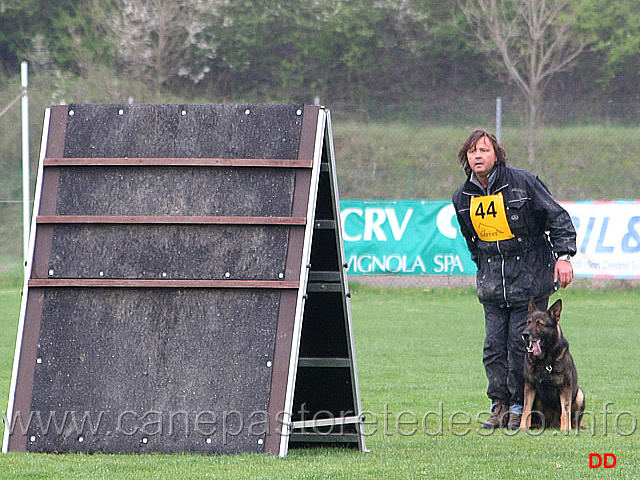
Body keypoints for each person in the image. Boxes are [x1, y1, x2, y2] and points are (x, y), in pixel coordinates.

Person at [451, 129, 576, 430]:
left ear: (497, 154)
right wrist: (483, 269)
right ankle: (499, 406)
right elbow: (473, 241)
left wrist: (564, 256)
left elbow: (558, 218)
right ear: (466, 158)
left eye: (484, 150)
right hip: (493, 285)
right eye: (472, 152)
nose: (478, 156)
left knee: (521, 347)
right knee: (493, 348)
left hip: (530, 281)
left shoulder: (523, 183)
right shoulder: (462, 197)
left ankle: (522, 408)